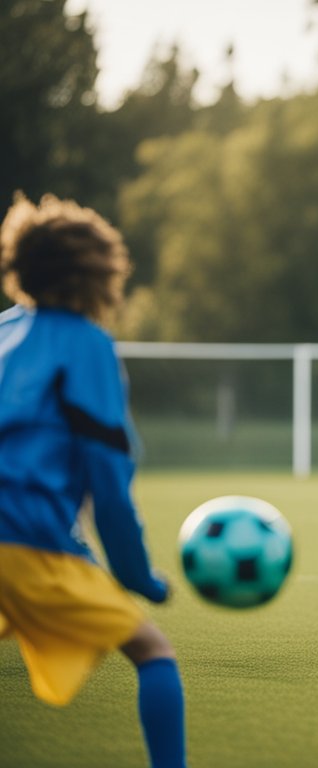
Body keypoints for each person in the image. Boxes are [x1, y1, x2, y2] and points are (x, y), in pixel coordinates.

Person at [0, 194, 187, 766]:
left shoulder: (5, 330)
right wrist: (138, 576)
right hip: (22, 542)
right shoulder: (87, 347)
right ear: (101, 273)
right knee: (152, 652)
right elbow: (108, 483)